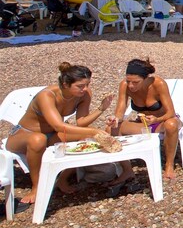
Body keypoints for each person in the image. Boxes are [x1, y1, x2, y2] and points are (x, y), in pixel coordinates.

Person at [4, 63, 114, 211]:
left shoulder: (84, 94)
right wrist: (94, 131)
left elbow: (81, 122)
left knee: (83, 139)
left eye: (87, 85)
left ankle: (62, 178)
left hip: (51, 135)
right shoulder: (47, 95)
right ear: (65, 84)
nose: (85, 89)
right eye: (80, 86)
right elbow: (58, 126)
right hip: (23, 134)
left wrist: (101, 108)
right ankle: (37, 186)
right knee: (38, 140)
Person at [111, 59, 182, 181]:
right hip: (144, 124)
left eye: (136, 82)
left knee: (171, 124)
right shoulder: (124, 86)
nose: (131, 86)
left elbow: (171, 112)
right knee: (112, 127)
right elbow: (121, 108)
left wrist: (157, 119)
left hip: (162, 121)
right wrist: (115, 118)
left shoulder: (158, 84)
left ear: (145, 79)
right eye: (128, 81)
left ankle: (169, 165)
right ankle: (126, 169)